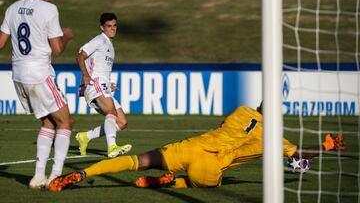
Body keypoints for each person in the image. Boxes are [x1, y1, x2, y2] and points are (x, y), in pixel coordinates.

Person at [48, 103, 345, 191]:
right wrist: (325, 145)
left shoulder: (241, 111)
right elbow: (298, 154)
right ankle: (175, 183)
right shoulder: (273, 135)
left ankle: (83, 175)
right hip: (210, 165)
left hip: (191, 146)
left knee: (136, 160)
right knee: (208, 182)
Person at [0, 0, 74, 189]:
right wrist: (67, 36)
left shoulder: (12, 8)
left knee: (49, 122)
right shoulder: (49, 9)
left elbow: (0, 43)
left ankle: (38, 177)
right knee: (66, 122)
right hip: (39, 73)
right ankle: (56, 176)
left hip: (19, 74)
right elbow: (58, 49)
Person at [75, 12, 131, 158]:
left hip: (102, 84)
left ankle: (86, 136)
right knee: (111, 112)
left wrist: (109, 84)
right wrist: (86, 76)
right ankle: (112, 147)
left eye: (114, 25)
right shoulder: (100, 40)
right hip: (96, 83)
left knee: (122, 122)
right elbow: (80, 55)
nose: (112, 29)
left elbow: (98, 66)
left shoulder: (110, 45)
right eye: (108, 26)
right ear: (102, 27)